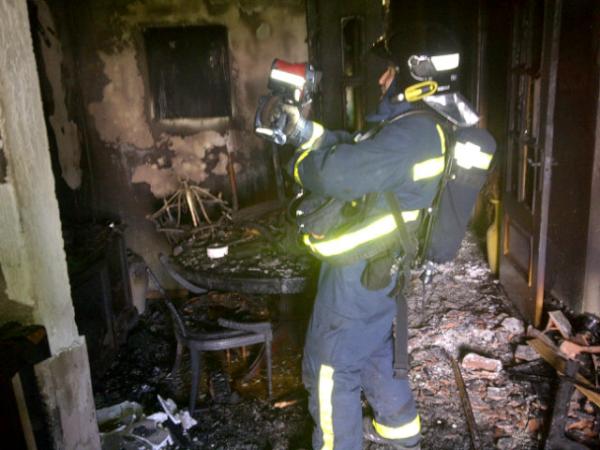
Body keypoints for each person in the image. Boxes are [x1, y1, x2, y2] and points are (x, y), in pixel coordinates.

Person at [275, 23, 493, 450]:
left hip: (358, 273)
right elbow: (362, 148)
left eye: (391, 70)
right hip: (385, 268)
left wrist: (297, 160)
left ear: (416, 75)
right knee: (373, 346)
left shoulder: (411, 136)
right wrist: (307, 133)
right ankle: (401, 433)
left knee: (330, 371)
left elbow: (339, 173)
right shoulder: (427, 125)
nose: (382, 79)